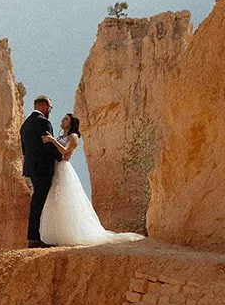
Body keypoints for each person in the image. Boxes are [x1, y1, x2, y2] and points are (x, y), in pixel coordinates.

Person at [39, 114, 145, 247]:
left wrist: (52, 141)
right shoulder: (60, 137)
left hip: (63, 169)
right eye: (63, 117)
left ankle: (69, 235)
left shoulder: (73, 137)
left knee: (65, 201)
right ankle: (54, 236)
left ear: (71, 123)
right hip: (54, 169)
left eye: (66, 118)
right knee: (53, 202)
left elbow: (64, 151)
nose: (62, 119)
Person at [19, 94, 61, 248]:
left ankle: (36, 237)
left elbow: (24, 149)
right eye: (49, 107)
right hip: (43, 168)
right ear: (43, 106)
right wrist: (61, 157)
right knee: (38, 203)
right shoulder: (44, 122)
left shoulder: (25, 125)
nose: (50, 110)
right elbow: (48, 146)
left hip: (31, 168)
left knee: (37, 202)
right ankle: (34, 238)